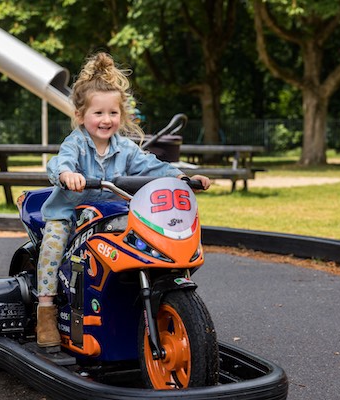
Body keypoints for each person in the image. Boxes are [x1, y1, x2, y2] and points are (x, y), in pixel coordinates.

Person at [36, 52, 210, 348]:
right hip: (70, 214)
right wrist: (67, 174)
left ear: (121, 115)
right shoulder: (76, 143)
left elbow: (153, 165)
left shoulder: (125, 149)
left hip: (109, 216)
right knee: (52, 246)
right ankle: (46, 310)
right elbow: (59, 163)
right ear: (80, 116)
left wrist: (180, 178)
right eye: (98, 113)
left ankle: (137, 302)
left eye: (112, 113)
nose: (106, 120)